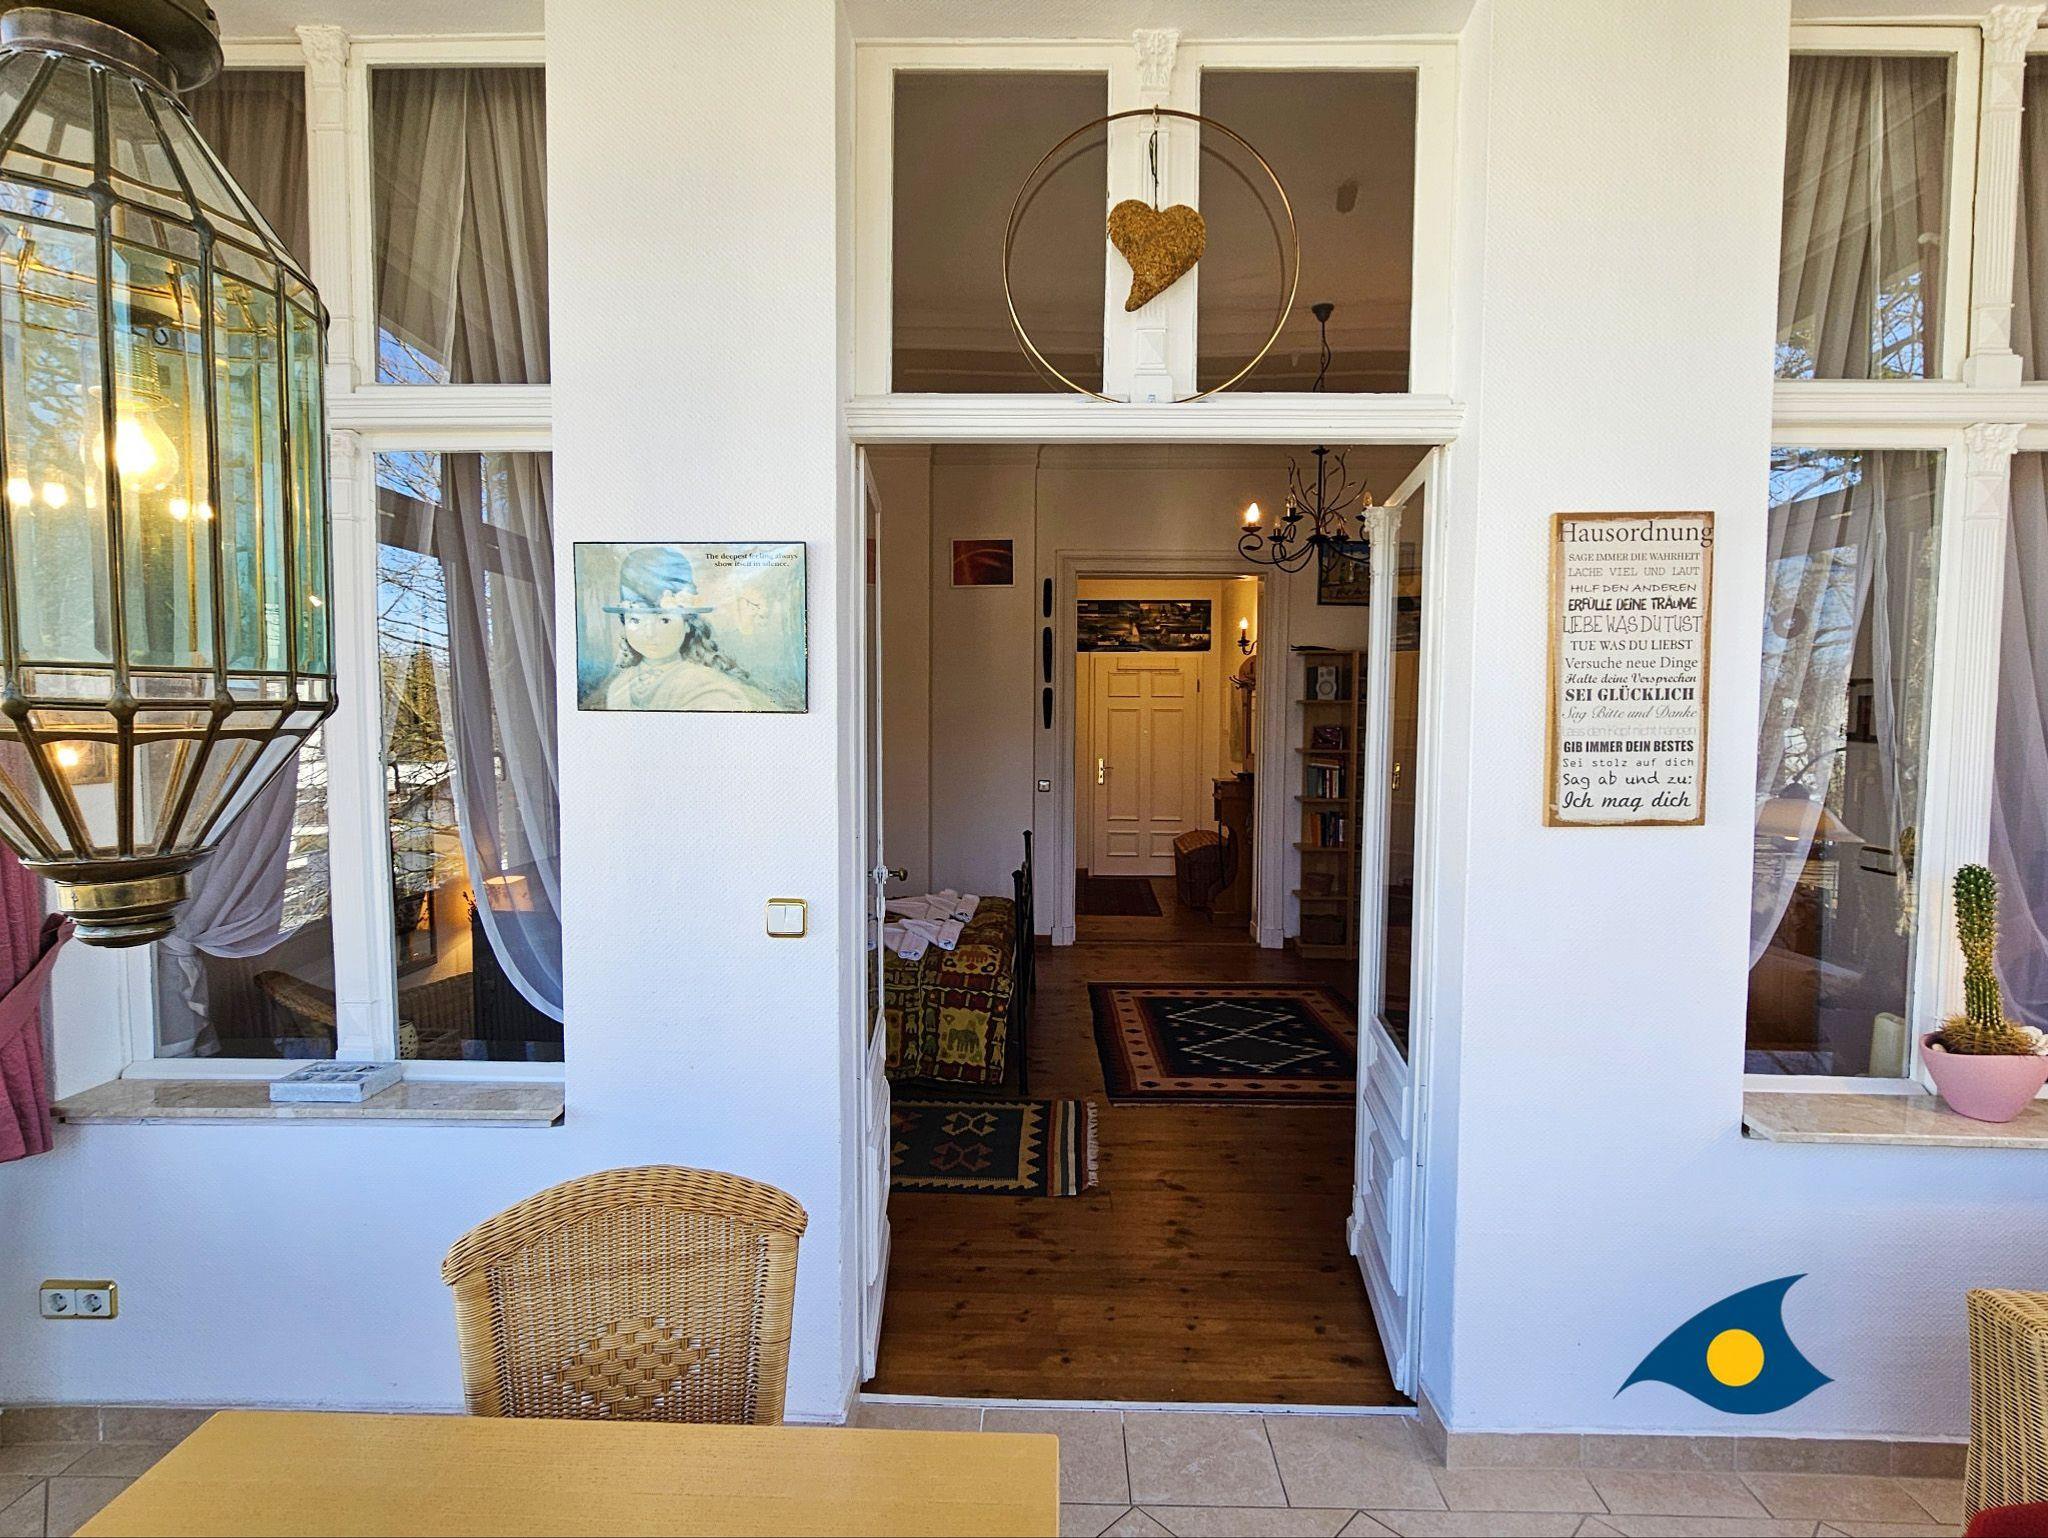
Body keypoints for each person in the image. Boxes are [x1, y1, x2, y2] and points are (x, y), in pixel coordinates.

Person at [594, 546, 783, 711]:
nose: (649, 633)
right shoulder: (619, 685)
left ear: (686, 624)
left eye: (664, 620)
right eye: (635, 620)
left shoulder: (708, 687)